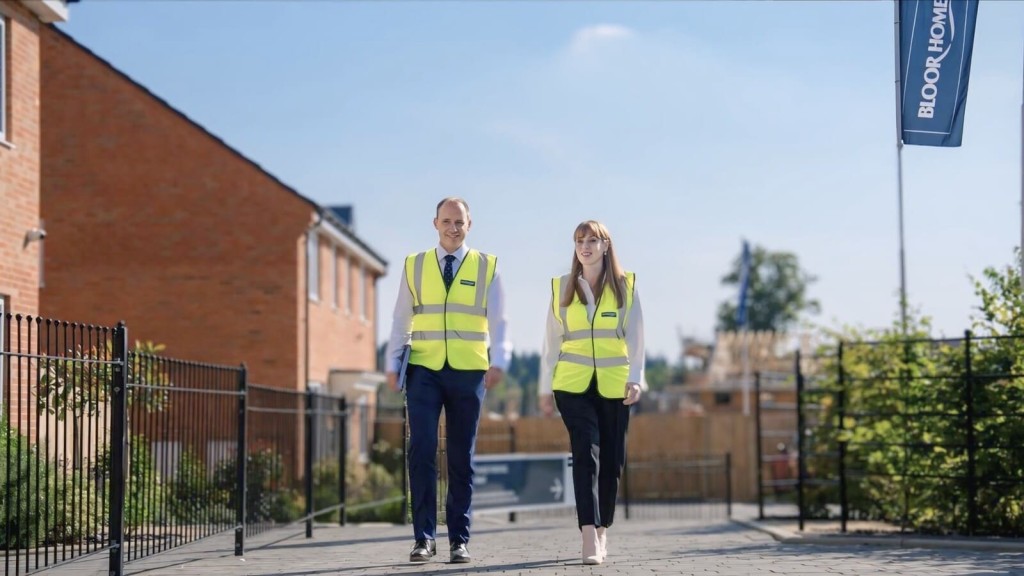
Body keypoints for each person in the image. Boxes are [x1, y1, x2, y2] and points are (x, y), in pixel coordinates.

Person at [385, 197, 510, 564]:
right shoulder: (415, 265)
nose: (453, 228)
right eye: (447, 221)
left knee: (460, 456)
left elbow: (501, 323)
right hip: (423, 370)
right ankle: (423, 537)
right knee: (421, 448)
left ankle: (459, 539)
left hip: (469, 372)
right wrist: (393, 365)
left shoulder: (488, 267)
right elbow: (399, 320)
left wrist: (498, 361)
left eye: (459, 221)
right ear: (435, 223)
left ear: (470, 224)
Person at [538, 219, 645, 565]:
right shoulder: (561, 287)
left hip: (615, 385)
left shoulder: (626, 285)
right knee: (586, 452)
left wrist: (636, 377)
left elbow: (636, 336)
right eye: (579, 240)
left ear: (606, 246)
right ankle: (588, 533)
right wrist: (544, 388)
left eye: (592, 240)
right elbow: (550, 343)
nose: (585, 246)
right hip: (571, 385)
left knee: (612, 461)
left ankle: (602, 530)